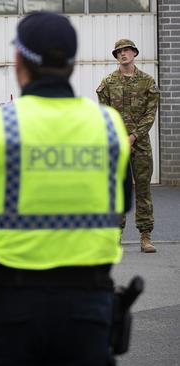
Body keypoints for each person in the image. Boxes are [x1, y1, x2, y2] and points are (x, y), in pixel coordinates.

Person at [0, 12, 132, 365]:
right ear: (70, 63)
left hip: (9, 306)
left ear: (19, 59)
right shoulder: (109, 126)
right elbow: (120, 205)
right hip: (88, 308)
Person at [97, 39, 159, 253]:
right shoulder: (108, 83)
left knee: (143, 189)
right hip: (116, 144)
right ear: (116, 56)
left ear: (134, 53)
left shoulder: (148, 82)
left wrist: (132, 137)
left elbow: (150, 114)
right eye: (119, 52)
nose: (123, 54)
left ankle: (145, 237)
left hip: (140, 144)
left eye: (126, 50)